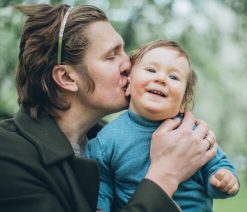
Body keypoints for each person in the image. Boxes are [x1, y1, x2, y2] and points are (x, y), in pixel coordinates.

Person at [0, 4, 218, 212]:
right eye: (111, 56)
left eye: (124, 51)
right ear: (67, 77)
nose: (129, 65)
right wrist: (165, 176)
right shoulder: (8, 156)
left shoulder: (110, 139)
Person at [87, 40, 240, 212]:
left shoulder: (192, 134)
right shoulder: (106, 139)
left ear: (184, 102)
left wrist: (221, 179)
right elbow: (103, 186)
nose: (160, 79)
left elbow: (216, 166)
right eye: (151, 70)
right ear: (128, 84)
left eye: (173, 77)